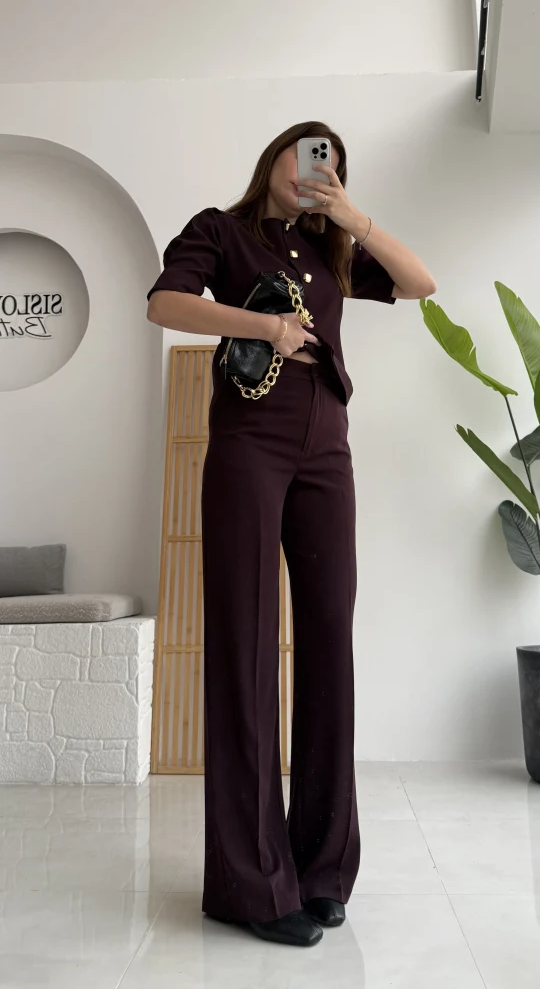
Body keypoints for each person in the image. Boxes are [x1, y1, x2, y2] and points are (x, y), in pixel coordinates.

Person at [145, 121, 437, 947]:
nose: (316, 169)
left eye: (331, 164)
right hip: (252, 435)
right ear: (275, 158)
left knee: (329, 641)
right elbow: (164, 303)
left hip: (326, 441)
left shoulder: (334, 250)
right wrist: (262, 327)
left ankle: (322, 869)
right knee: (244, 641)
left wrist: (351, 216)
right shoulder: (221, 230)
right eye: (307, 154)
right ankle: (251, 883)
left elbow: (421, 284)